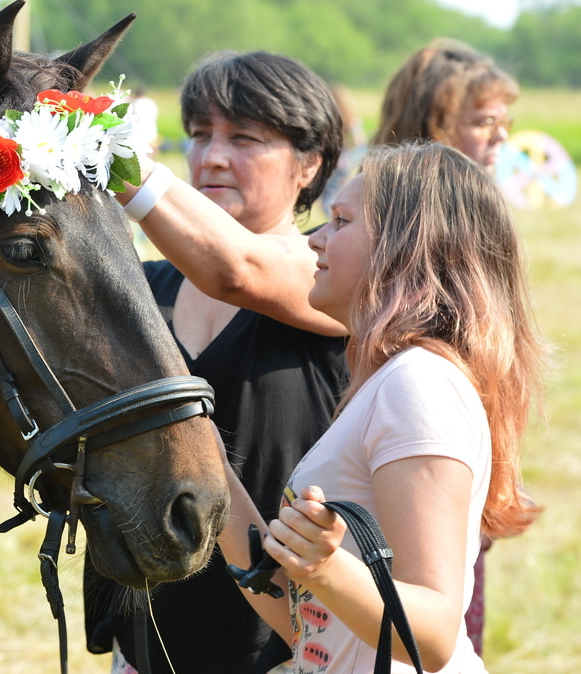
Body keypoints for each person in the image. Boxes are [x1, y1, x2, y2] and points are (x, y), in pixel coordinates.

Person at [213, 142, 543, 673]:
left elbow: (431, 638)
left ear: (407, 247)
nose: (314, 239)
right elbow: (307, 622)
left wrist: (325, 570)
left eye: (340, 221)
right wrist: (206, 461)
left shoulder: (418, 384)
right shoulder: (392, 381)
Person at [84, 50, 349, 674]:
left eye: (246, 138)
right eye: (200, 135)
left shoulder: (330, 283)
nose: (212, 157)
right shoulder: (143, 289)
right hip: (146, 643)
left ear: (309, 165)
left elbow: (237, 270)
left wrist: (98, 151)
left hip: (285, 644)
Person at [373, 38, 521, 654]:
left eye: (503, 123)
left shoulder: (477, 218)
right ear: (433, 126)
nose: (501, 139)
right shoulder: (378, 228)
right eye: (482, 122)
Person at [373, 38, 518, 172]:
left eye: (504, 122)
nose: (501, 135)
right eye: (486, 122)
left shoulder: (481, 196)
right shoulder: (373, 197)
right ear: (434, 127)